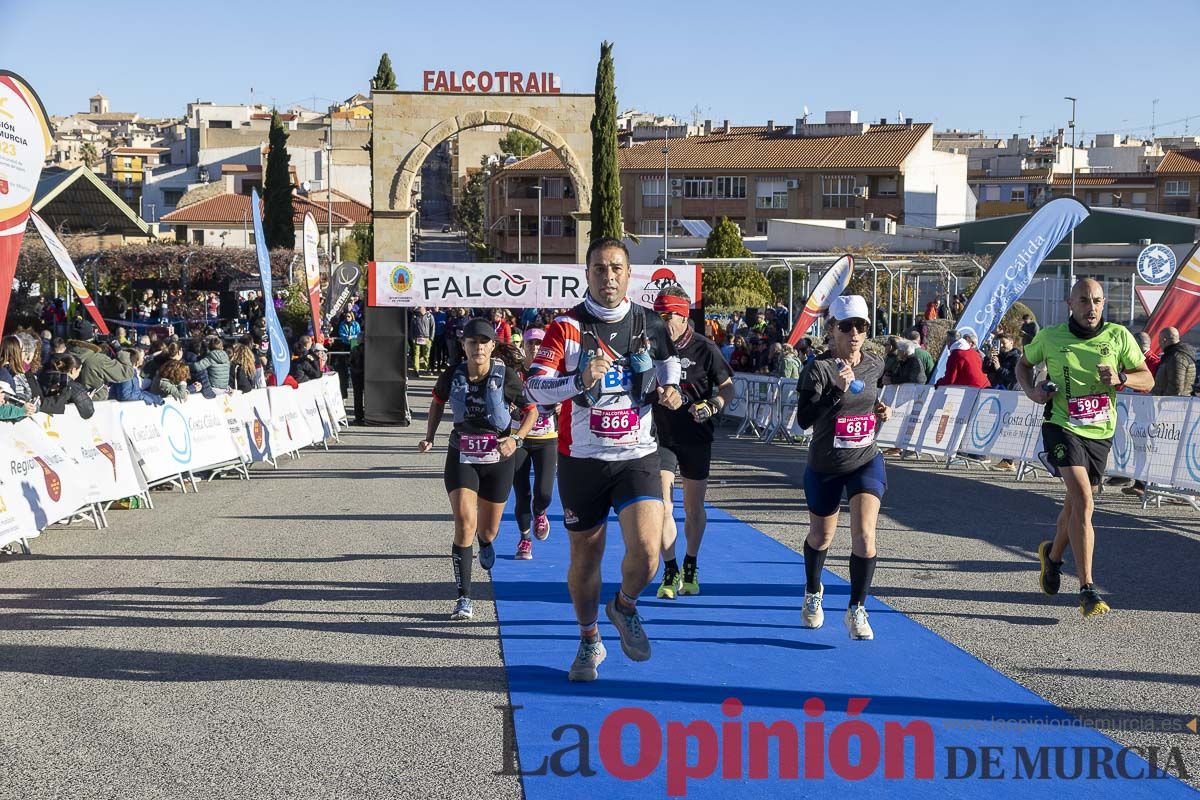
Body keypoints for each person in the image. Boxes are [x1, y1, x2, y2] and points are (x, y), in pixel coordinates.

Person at [525, 237, 682, 682]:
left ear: (629, 274)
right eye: (599, 269)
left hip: (637, 455)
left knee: (649, 551)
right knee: (585, 560)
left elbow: (670, 372)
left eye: (616, 268)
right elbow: (535, 388)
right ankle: (589, 639)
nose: (608, 276)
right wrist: (577, 381)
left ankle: (624, 606)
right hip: (582, 460)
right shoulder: (565, 327)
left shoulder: (651, 324)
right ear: (587, 275)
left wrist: (670, 393)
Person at [1018, 278, 1153, 618]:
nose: (1090, 307)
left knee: (1075, 504)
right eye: (1083, 301)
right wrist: (1033, 392)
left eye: (1095, 301)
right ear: (1070, 304)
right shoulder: (1049, 336)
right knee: (1084, 499)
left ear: (1103, 303)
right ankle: (1088, 588)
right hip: (1061, 424)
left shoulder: (1119, 337)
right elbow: (1023, 364)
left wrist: (1121, 379)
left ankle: (1052, 556)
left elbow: (1146, 379)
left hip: (1099, 431)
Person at [420, 318, 538, 621]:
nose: (478, 347)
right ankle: (464, 598)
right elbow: (436, 402)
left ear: (492, 346)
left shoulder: (506, 375)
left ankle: (486, 543)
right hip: (462, 454)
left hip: (498, 457)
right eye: (472, 342)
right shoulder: (453, 374)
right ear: (464, 346)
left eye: (484, 342)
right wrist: (430, 436)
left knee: (487, 530)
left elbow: (531, 411)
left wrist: (516, 439)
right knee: (464, 523)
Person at [794, 295, 891, 640]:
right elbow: (804, 419)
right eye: (846, 326)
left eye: (860, 326)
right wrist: (836, 392)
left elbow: (872, 397)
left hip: (865, 458)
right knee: (822, 536)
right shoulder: (817, 368)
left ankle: (856, 609)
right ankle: (812, 591)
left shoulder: (875, 364)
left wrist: (880, 409)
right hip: (826, 464)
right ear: (831, 328)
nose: (854, 333)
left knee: (865, 536)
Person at [652, 287, 734, 600]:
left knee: (692, 507)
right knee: (662, 506)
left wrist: (712, 405)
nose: (664, 320)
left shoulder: (705, 348)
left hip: (696, 435)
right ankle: (669, 569)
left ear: (684, 315)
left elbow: (728, 387)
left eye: (670, 314)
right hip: (661, 436)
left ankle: (690, 562)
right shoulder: (651, 346)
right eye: (660, 314)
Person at [510, 328, 559, 560]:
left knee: (544, 492)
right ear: (524, 346)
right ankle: (525, 539)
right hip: (519, 438)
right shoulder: (514, 373)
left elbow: (568, 394)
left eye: (540, 343)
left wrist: (561, 405)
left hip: (546, 438)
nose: (535, 347)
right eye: (531, 343)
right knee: (521, 493)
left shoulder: (553, 372)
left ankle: (540, 512)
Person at [38, 353, 95, 418]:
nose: (79, 374)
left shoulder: (42, 375)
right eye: (79, 371)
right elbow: (88, 412)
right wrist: (87, 398)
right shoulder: (73, 387)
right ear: (73, 370)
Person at [411, 306, 435, 375]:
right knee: (416, 354)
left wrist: (431, 338)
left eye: (420, 307)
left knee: (426, 355)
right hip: (416, 338)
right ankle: (416, 370)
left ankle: (427, 368)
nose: (419, 309)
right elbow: (411, 327)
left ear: (424, 308)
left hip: (427, 338)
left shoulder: (429, 316)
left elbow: (432, 327)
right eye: (418, 308)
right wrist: (412, 337)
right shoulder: (415, 316)